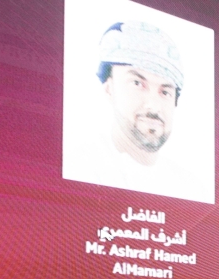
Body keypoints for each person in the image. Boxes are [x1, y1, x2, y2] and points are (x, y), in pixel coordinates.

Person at [72, 21, 205, 202]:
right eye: (138, 84)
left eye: (165, 92)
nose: (153, 105)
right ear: (109, 89)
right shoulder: (79, 167)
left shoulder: (192, 188)